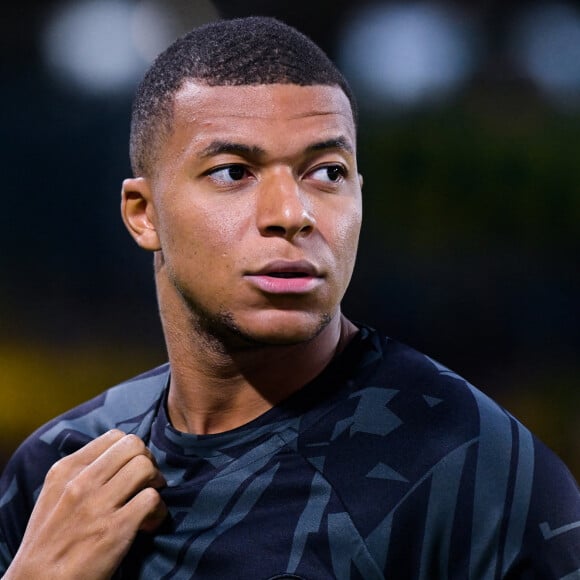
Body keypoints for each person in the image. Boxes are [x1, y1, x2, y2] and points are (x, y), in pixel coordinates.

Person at [0, 15, 579, 580]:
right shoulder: (58, 470)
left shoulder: (473, 472)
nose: (291, 214)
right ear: (143, 214)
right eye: (232, 172)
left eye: (327, 172)